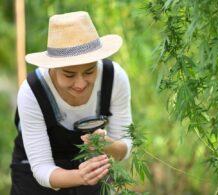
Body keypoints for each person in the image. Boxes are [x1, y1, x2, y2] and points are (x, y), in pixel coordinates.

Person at [10, 11, 132, 195]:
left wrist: (108, 145)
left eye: (90, 71)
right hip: (34, 178)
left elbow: (124, 145)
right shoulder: (32, 91)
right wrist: (80, 177)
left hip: (90, 168)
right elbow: (42, 168)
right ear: (53, 66)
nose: (81, 83)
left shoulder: (114, 78)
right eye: (69, 74)